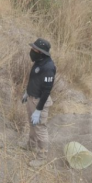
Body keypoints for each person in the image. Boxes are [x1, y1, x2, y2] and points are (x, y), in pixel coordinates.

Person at [21, 38, 56, 167]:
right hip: (31, 98)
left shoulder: (48, 68)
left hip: (40, 101)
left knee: (40, 129)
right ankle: (31, 145)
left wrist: (39, 110)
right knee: (32, 124)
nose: (32, 51)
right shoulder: (38, 61)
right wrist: (27, 91)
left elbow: (46, 91)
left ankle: (42, 157)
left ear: (41, 52)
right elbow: (34, 80)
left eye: (35, 49)